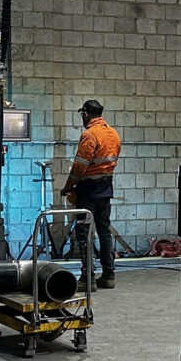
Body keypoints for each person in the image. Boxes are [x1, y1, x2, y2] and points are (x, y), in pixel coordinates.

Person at [61, 100, 122, 291]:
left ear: (86, 114)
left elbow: (79, 168)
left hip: (87, 191)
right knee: (104, 232)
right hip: (106, 189)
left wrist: (67, 187)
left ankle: (88, 279)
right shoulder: (113, 134)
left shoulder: (89, 136)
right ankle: (109, 275)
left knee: (84, 234)